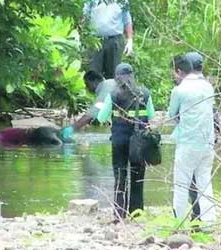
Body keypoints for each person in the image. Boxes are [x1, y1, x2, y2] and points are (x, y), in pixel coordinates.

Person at [62, 63, 155, 221]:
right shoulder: (145, 93)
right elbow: (151, 115)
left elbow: (101, 117)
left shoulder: (112, 93)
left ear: (117, 77)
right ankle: (137, 213)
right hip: (139, 142)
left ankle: (119, 214)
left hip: (119, 141)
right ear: (132, 76)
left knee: (120, 177)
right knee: (137, 177)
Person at [168, 54, 217, 224]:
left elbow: (172, 115)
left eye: (174, 73)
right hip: (207, 143)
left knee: (181, 184)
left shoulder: (179, 90)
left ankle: (178, 222)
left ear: (180, 71)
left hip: (187, 143)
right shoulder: (208, 87)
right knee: (205, 183)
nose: (174, 77)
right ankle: (209, 223)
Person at [82, 0, 134, 79]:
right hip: (95, 40)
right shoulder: (92, 1)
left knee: (113, 73)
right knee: (93, 73)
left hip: (114, 40)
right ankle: (94, 91)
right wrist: (79, 34)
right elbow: (84, 16)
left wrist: (130, 40)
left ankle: (112, 90)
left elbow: (127, 20)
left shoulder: (122, 2)